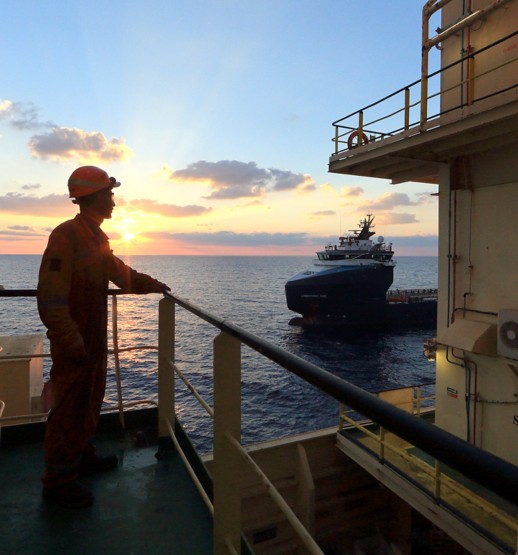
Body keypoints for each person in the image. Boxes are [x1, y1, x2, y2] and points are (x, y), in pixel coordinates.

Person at [37, 165, 170, 508]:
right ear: (92, 197)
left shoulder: (95, 238)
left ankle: (82, 456)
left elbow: (119, 273)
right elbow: (50, 298)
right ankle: (58, 483)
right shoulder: (65, 236)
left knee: (90, 401)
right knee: (68, 409)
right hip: (75, 342)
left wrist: (150, 285)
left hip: (91, 339)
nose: (113, 200)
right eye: (109, 194)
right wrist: (70, 338)